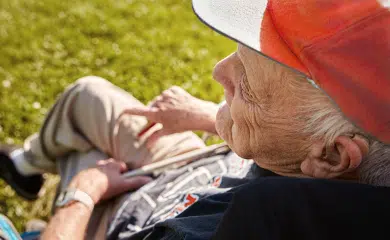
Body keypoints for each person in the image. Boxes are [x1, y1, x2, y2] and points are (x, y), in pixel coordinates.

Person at [1, 0, 389, 239]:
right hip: (201, 164)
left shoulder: (246, 227)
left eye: (249, 84)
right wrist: (206, 116)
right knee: (89, 96)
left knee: (82, 147)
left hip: (130, 211)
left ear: (332, 157)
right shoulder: (330, 169)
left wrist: (82, 195)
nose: (219, 72)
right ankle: (23, 167)